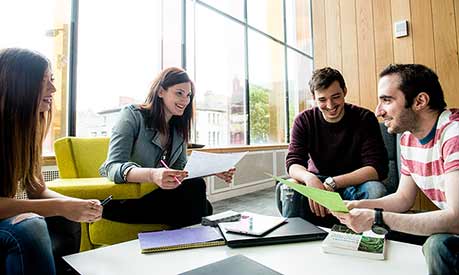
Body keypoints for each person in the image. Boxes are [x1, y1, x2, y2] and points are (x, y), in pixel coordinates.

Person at [332, 64, 459, 274]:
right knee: (385, 234)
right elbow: (402, 199)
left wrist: (378, 218)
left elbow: (455, 219)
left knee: (438, 246)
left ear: (420, 101)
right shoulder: (408, 139)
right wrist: (360, 204)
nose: (378, 111)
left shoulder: (453, 135)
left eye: (387, 100)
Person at [0, 48, 103, 275]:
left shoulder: (26, 132)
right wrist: (60, 206)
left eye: (52, 79)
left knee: (67, 219)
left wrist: (75, 205)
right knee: (29, 227)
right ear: (19, 84)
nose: (53, 89)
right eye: (43, 81)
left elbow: (37, 189)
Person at [99, 67, 235, 228]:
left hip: (157, 195)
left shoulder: (178, 128)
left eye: (188, 95)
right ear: (161, 92)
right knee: (199, 197)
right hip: (127, 197)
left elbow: (180, 169)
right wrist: (152, 174)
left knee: (198, 195)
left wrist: (212, 169)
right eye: (179, 93)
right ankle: (195, 245)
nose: (185, 100)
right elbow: (112, 167)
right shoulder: (132, 115)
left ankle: (188, 246)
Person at [278, 67, 388, 227]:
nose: (330, 105)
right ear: (314, 97)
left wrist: (333, 183)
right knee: (290, 186)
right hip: (318, 180)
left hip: (355, 183)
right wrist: (310, 179)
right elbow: (293, 163)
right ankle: (295, 237)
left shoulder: (364, 118)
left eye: (336, 97)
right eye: (322, 100)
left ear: (344, 91)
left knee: (376, 190)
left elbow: (377, 168)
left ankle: (369, 242)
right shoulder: (304, 120)